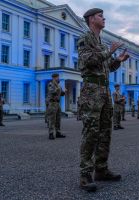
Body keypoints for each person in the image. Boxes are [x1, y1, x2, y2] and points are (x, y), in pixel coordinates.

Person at [78, 8, 130, 192]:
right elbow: (88, 61)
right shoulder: (85, 38)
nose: (104, 18)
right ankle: (85, 174)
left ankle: (101, 169)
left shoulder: (100, 41)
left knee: (105, 132)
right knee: (91, 133)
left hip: (104, 91)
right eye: (100, 16)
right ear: (92, 19)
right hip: (91, 91)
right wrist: (110, 52)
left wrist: (119, 60)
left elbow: (106, 66)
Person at [47, 73, 66, 140]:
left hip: (57, 103)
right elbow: (52, 92)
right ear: (54, 78)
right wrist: (58, 89)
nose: (59, 78)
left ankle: (58, 133)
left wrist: (64, 92)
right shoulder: (51, 84)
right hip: (52, 103)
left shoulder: (58, 85)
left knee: (58, 119)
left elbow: (61, 94)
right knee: (52, 119)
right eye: (58, 77)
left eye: (58, 77)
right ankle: (51, 133)